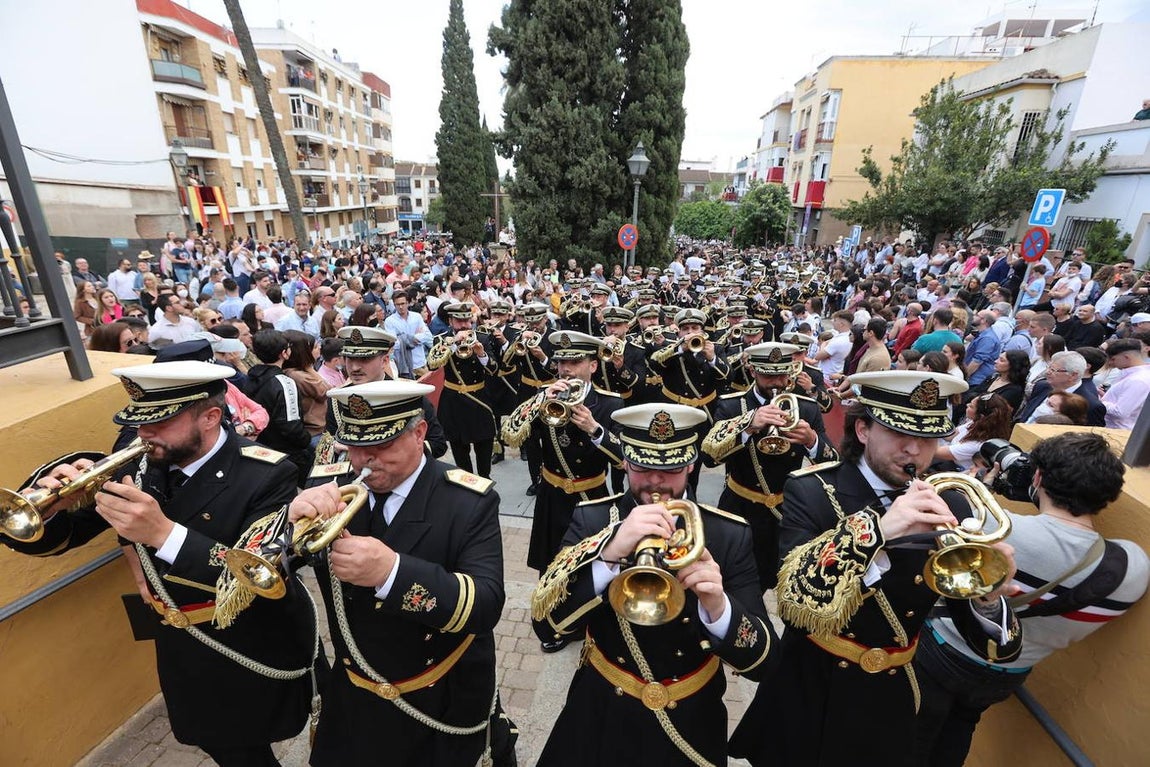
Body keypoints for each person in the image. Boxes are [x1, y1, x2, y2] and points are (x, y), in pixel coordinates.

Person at [0, 361, 316, 766]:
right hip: (182, 644)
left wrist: (163, 534)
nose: (143, 435)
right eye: (138, 423)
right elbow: (69, 535)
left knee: (249, 741)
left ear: (211, 417)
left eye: (160, 423)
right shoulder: (140, 464)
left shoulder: (268, 474)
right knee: (219, 742)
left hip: (248, 640)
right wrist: (51, 511)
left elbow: (259, 574)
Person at [730, 370, 1022, 767]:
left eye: (927, 440)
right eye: (900, 435)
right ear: (864, 429)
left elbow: (994, 646)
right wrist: (880, 532)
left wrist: (987, 597)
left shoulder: (952, 503)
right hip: (810, 685)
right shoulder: (812, 490)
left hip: (891, 692)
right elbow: (794, 605)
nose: (915, 452)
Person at [531, 403, 776, 766]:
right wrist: (608, 555)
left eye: (672, 469)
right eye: (642, 467)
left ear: (691, 464)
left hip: (690, 715)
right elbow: (546, 623)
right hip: (602, 706)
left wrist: (719, 607)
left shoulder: (729, 533)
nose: (657, 483)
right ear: (625, 462)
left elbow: (764, 663)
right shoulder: (593, 518)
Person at [287, 381, 513, 767]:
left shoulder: (468, 500)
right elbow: (258, 568)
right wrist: (288, 524)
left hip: (438, 692)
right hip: (355, 687)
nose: (365, 461)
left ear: (419, 432)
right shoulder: (329, 485)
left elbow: (486, 604)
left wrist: (392, 572)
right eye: (355, 447)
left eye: (381, 446)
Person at [915, 432, 1149, 766]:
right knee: (960, 727)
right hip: (1009, 674)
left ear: (1037, 477)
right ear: (1107, 496)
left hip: (944, 652)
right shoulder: (1132, 567)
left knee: (911, 736)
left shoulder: (992, 526)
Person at [502, 331, 624, 650]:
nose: (566, 369)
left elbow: (626, 460)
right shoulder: (546, 399)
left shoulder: (610, 403)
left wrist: (595, 429)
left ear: (593, 366)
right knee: (552, 560)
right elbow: (510, 435)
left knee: (590, 560)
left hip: (592, 495)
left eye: (575, 362)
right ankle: (556, 623)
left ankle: (589, 618)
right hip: (553, 495)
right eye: (561, 362)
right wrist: (540, 400)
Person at [703, 342, 838, 591]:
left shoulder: (806, 407)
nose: (776, 382)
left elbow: (832, 463)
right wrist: (748, 424)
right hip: (740, 506)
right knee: (734, 582)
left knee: (786, 580)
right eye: (768, 375)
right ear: (753, 371)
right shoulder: (732, 405)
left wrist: (812, 441)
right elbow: (710, 458)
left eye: (782, 375)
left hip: (789, 511)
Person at [427, 302, 501, 478]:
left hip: (479, 398)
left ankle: (485, 478)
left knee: (484, 443)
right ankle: (467, 481)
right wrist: (453, 344)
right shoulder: (441, 339)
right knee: (459, 447)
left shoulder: (482, 337)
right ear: (451, 321)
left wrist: (481, 354)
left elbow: (494, 370)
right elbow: (431, 365)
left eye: (468, 320)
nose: (465, 325)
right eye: (460, 321)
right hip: (454, 401)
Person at [242, 329, 313, 482]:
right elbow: (291, 426)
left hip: (261, 449)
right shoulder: (284, 382)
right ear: (284, 353)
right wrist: (306, 442)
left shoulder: (250, 377)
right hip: (287, 455)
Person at [1016, 350, 1106, 426]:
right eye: (1049, 367)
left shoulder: (1091, 405)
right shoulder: (1042, 386)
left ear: (1073, 375)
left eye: (1053, 370)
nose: (1047, 372)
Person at [933, 393, 1013, 471]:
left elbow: (936, 452)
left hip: (958, 471)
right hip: (949, 461)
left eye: (971, 406)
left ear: (981, 416)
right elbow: (951, 435)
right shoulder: (976, 424)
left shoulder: (977, 445)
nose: (967, 405)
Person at [281, 329, 331, 440]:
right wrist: (310, 368)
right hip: (314, 431)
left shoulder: (298, 372)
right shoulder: (299, 376)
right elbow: (326, 391)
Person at [1101, 338, 1150, 429]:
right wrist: (1106, 396)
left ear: (1127, 357)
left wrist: (1099, 402)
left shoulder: (1138, 380)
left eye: (1113, 359)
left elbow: (1121, 412)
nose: (1111, 362)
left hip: (1118, 432)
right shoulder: (1135, 376)